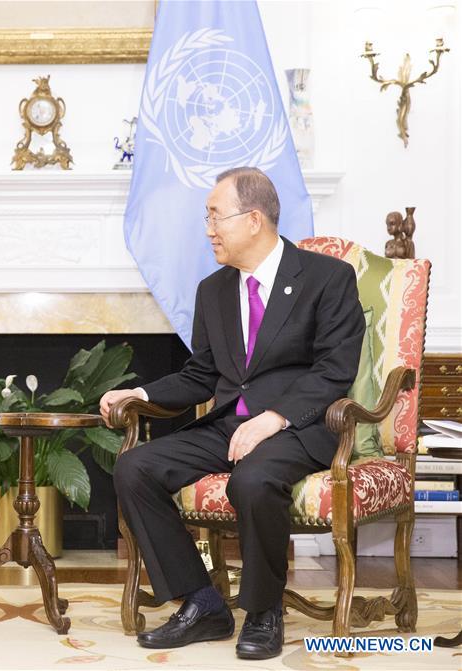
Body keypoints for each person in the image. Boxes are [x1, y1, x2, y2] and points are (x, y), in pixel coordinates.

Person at [101, 167, 364, 660]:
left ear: (254, 219)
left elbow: (334, 370)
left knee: (254, 480)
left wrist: (275, 418)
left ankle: (264, 612)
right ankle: (203, 603)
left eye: (215, 217)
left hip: (299, 427)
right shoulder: (214, 290)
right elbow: (202, 375)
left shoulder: (326, 279)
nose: (208, 230)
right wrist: (137, 391)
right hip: (230, 425)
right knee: (136, 467)